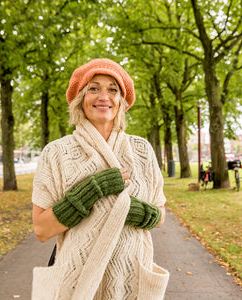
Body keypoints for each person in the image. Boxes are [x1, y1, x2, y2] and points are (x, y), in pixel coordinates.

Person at [31, 58, 169, 300]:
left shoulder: (142, 150)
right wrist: (92, 190)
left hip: (131, 279)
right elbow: (42, 229)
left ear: (121, 102)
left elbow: (159, 215)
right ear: (80, 99)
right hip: (77, 280)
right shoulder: (56, 152)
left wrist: (127, 209)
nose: (103, 96)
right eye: (94, 88)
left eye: (112, 90)